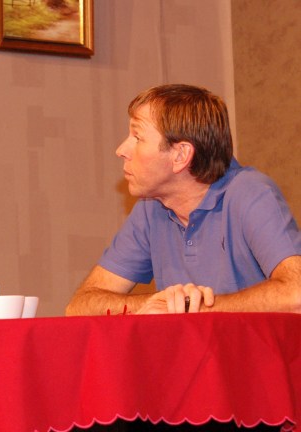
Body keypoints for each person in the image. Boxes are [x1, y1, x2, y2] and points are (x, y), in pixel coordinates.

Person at [66, 84, 301, 316]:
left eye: (137, 137)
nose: (121, 150)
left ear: (181, 155)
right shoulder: (152, 206)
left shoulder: (250, 193)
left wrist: (192, 308)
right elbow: (79, 307)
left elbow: (296, 295)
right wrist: (159, 304)